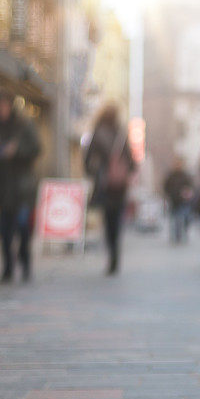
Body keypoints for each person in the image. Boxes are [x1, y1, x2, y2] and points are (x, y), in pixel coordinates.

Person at [0, 90, 41, 283]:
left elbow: (36, 148)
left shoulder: (24, 125)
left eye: (5, 106)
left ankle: (25, 261)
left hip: (22, 186)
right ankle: (8, 266)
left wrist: (16, 151)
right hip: (2, 186)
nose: (2, 110)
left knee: (23, 227)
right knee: (4, 230)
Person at [85, 104, 136, 275]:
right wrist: (126, 172)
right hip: (119, 185)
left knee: (108, 220)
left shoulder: (98, 132)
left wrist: (94, 172)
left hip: (105, 183)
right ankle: (115, 253)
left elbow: (87, 158)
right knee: (116, 220)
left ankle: (111, 254)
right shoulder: (121, 134)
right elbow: (132, 161)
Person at [163, 157, 194, 244]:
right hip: (173, 200)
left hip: (183, 200)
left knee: (184, 217)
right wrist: (168, 194)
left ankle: (183, 232)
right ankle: (177, 236)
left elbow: (190, 186)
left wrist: (188, 192)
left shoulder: (185, 175)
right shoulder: (171, 175)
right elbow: (166, 186)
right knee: (175, 218)